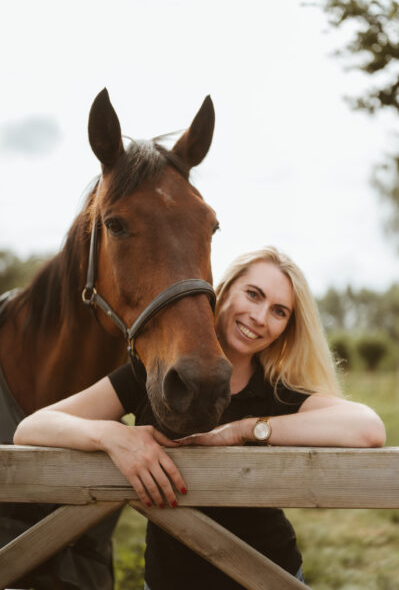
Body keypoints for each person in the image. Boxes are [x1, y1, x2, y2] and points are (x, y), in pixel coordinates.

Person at [14, 247, 386, 590]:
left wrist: (246, 430)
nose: (259, 318)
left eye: (279, 311)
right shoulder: (154, 373)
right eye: (253, 294)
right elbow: (31, 428)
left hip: (267, 577)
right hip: (167, 582)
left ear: (286, 328)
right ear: (223, 290)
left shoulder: (276, 393)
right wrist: (112, 436)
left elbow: (369, 428)